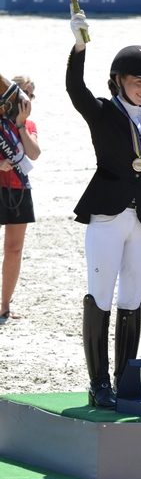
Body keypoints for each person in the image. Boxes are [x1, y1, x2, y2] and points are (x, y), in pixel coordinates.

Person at [67, 11, 141, 408]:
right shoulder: (102, 111)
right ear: (118, 81)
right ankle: (99, 384)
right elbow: (74, 87)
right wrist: (79, 48)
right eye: (137, 81)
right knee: (101, 296)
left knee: (133, 297)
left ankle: (125, 378)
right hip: (108, 215)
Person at [0, 73, 41, 323]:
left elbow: (34, 154)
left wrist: (22, 125)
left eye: (29, 95)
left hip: (18, 189)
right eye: (22, 93)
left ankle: (4, 305)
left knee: (14, 250)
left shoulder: (29, 126)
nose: (25, 99)